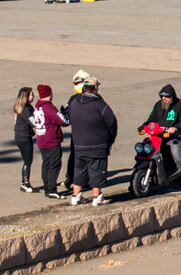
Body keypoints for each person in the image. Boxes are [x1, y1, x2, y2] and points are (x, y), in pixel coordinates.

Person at [65, 74, 117, 204]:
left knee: (80, 171)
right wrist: (109, 140)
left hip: (78, 144)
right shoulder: (100, 104)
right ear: (95, 87)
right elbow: (112, 123)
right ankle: (97, 197)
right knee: (97, 171)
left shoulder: (75, 102)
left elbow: (68, 117)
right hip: (97, 145)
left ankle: (75, 196)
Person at [144, 84, 181, 190]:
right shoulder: (158, 105)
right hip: (160, 136)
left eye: (166, 96)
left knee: (178, 157)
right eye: (162, 96)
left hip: (176, 137)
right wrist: (143, 126)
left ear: (172, 96)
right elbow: (151, 118)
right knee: (150, 152)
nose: (164, 98)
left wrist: (176, 128)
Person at [29, 83, 66, 196]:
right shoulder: (49, 107)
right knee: (54, 165)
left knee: (46, 164)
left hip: (41, 139)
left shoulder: (37, 107)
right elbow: (63, 121)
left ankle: (47, 186)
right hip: (51, 140)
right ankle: (51, 189)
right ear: (49, 94)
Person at [10, 86, 38, 193]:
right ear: (26, 96)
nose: (33, 96)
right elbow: (34, 122)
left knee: (27, 160)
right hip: (24, 137)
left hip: (19, 136)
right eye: (31, 94)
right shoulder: (26, 109)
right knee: (27, 161)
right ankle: (25, 183)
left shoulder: (20, 106)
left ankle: (25, 183)